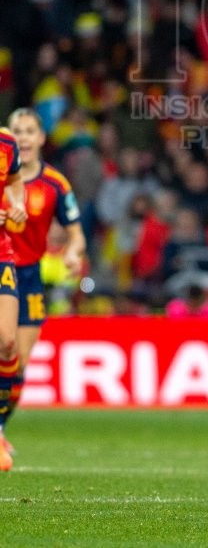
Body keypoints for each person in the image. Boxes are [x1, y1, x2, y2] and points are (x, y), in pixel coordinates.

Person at [3, 109, 85, 460]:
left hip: (30, 276)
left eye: (29, 131)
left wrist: (73, 254)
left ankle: (2, 428)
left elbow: (77, 236)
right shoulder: (4, 166)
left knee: (16, 362)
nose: (22, 136)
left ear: (40, 138)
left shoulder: (55, 184)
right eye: (17, 129)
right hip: (3, 264)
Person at [0, 125, 27, 471]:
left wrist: (17, 205)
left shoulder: (7, 142)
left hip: (2, 252)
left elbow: (16, 182)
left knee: (7, 341)